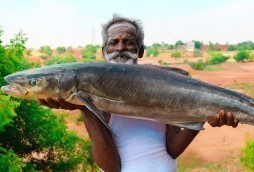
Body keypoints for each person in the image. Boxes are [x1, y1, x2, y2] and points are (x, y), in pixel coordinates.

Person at [38, 15, 239, 172]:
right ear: (104, 51)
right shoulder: (94, 92)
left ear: (140, 50)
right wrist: (85, 105)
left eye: (128, 42)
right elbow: (111, 168)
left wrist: (204, 115)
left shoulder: (161, 87)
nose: (120, 48)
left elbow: (172, 150)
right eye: (113, 43)